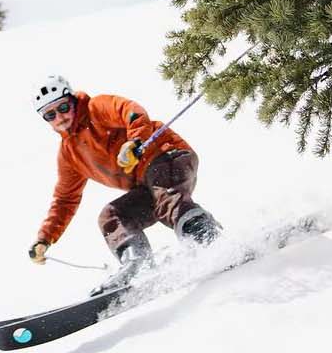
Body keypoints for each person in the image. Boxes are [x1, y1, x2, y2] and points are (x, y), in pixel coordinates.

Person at [27, 73, 220, 279]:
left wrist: (136, 141)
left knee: (166, 199)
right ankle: (138, 265)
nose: (59, 117)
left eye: (63, 108)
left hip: (166, 155)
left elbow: (131, 112)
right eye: (50, 115)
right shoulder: (69, 154)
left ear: (73, 101)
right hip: (145, 186)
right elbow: (65, 199)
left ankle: (209, 240)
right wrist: (45, 238)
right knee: (112, 215)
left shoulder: (96, 108)